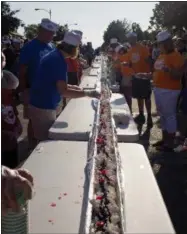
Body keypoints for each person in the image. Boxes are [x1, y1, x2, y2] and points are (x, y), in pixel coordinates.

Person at [28, 31, 100, 145]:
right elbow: (64, 91)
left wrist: (79, 89)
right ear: (73, 48)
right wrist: (88, 93)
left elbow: (59, 84)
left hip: (41, 102)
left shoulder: (55, 55)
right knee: (44, 143)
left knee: (43, 139)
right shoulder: (58, 61)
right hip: (43, 105)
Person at [138, 31, 184, 151]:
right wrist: (146, 75)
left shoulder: (176, 56)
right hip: (159, 88)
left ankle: (170, 143)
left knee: (169, 116)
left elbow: (178, 75)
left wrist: (168, 70)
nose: (158, 46)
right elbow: (156, 73)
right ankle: (165, 140)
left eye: (160, 44)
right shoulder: (162, 55)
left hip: (169, 90)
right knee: (162, 115)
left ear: (166, 44)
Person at [18, 18, 58, 149]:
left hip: (49, 92)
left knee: (47, 120)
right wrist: (24, 90)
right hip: (33, 90)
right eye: (49, 33)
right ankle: (31, 146)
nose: (51, 36)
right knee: (32, 120)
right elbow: (22, 71)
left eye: (53, 34)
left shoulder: (51, 46)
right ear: (41, 31)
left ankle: (41, 146)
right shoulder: (29, 47)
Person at [126, 32, 153, 127]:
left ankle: (149, 116)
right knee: (139, 97)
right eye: (129, 39)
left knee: (147, 97)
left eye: (132, 38)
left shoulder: (143, 48)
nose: (130, 40)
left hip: (144, 76)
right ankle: (141, 115)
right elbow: (131, 63)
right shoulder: (130, 50)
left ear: (135, 38)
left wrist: (150, 73)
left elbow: (149, 61)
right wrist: (127, 64)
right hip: (136, 76)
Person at [1, 52, 22, 169]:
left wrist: (18, 124)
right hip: (3, 143)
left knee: (13, 165)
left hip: (12, 142)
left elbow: (14, 114)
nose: (11, 93)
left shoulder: (10, 99)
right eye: (8, 91)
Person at [115, 44, 134, 112]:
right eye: (119, 52)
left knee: (127, 93)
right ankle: (127, 109)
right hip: (124, 75)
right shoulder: (121, 56)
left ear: (123, 49)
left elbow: (132, 64)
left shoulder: (129, 54)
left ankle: (129, 110)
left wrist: (127, 64)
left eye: (120, 51)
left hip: (128, 75)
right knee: (124, 92)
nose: (120, 53)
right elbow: (118, 65)